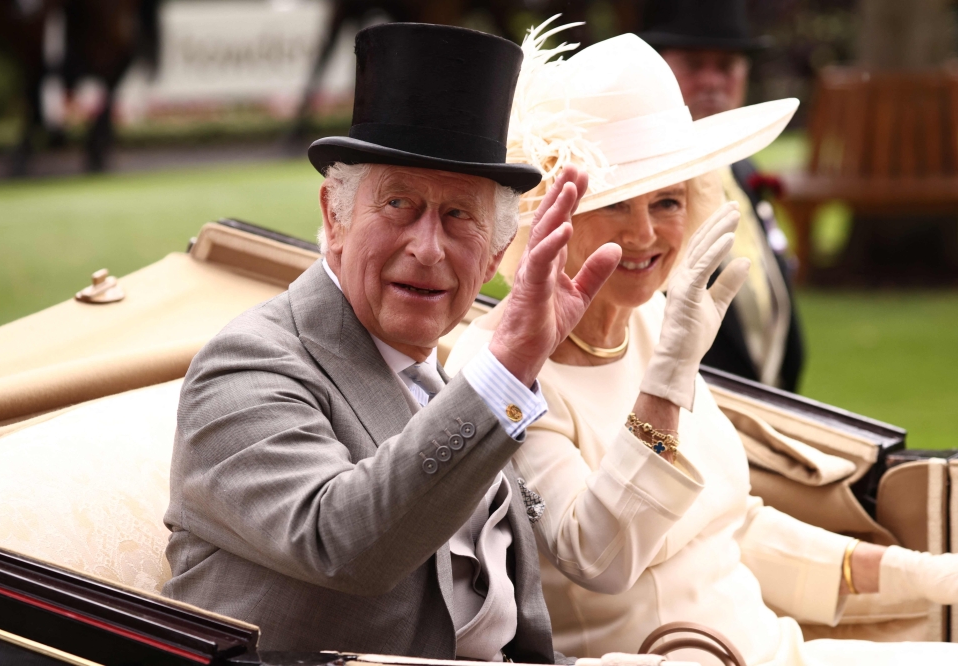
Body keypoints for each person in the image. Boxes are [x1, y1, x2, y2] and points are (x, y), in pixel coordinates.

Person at [447, 29, 958, 666]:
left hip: (771, 649)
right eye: (617, 204)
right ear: (551, 215)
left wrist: (919, 573)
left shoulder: (653, 320)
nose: (647, 233)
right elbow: (596, 555)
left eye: (668, 201)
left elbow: (730, 524)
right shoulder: (499, 370)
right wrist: (666, 384)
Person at [162, 23, 626, 657]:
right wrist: (508, 369)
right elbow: (345, 544)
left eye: (459, 215)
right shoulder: (247, 365)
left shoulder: (435, 377)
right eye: (399, 204)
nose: (428, 248)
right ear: (334, 217)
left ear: (493, 252)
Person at [640, 0, 804, 392]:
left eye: (727, 66)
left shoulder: (744, 170)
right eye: (695, 66)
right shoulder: (640, 186)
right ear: (659, 71)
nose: (712, 81)